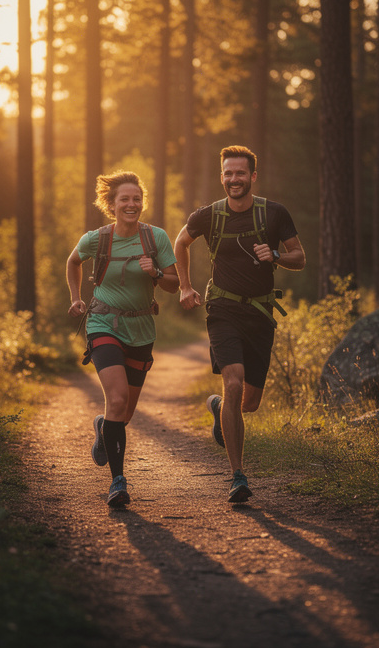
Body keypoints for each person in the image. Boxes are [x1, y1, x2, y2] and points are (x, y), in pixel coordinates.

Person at [174, 145, 306, 503]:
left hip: (261, 315)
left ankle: (219, 408)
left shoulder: (274, 214)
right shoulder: (209, 215)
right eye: (228, 174)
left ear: (252, 176)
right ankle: (237, 476)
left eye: (240, 173)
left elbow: (300, 257)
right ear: (222, 177)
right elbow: (180, 243)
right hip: (222, 309)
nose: (234, 179)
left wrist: (276, 254)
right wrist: (185, 286)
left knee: (248, 403)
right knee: (232, 382)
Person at [66, 171, 179, 507]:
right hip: (103, 323)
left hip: (142, 329)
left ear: (142, 202)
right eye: (124, 199)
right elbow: (73, 261)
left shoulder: (156, 238)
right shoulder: (97, 239)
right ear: (112, 205)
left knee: (123, 414)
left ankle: (104, 429)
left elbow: (174, 283)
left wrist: (156, 273)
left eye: (136, 199)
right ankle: (118, 481)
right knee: (115, 400)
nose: (132, 204)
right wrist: (75, 297)